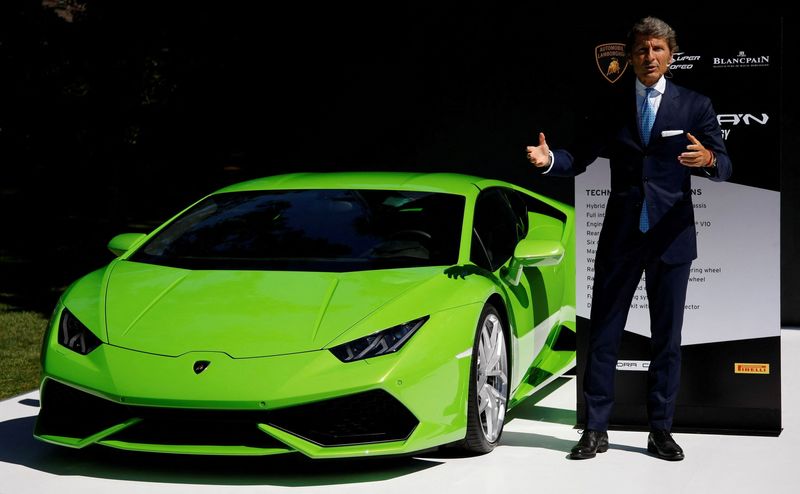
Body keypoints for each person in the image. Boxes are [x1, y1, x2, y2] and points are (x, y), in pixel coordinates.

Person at [526, 16, 731, 461]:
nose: (649, 57)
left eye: (657, 49)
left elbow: (726, 164)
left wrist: (709, 158)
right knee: (603, 335)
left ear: (671, 55)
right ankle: (595, 430)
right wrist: (548, 161)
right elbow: (576, 156)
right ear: (630, 55)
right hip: (620, 236)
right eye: (641, 50)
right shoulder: (609, 104)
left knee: (666, 339)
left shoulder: (694, 104)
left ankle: (660, 430)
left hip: (672, 238)